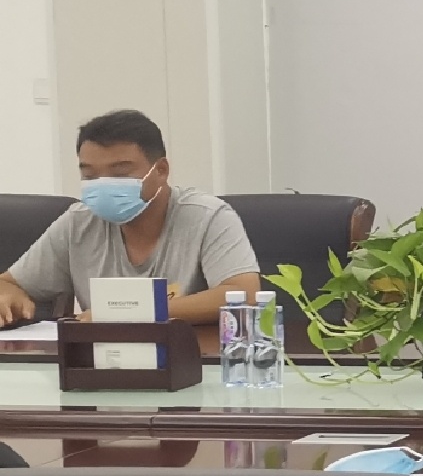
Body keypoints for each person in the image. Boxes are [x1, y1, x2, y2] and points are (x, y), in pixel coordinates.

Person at [0, 109, 259, 325]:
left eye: (120, 173)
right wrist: (9, 294)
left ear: (161, 170)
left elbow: (243, 293)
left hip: (192, 359)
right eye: (90, 176)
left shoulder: (208, 216)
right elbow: (8, 283)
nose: (104, 185)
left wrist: (127, 314)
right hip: (103, 360)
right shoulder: (78, 222)